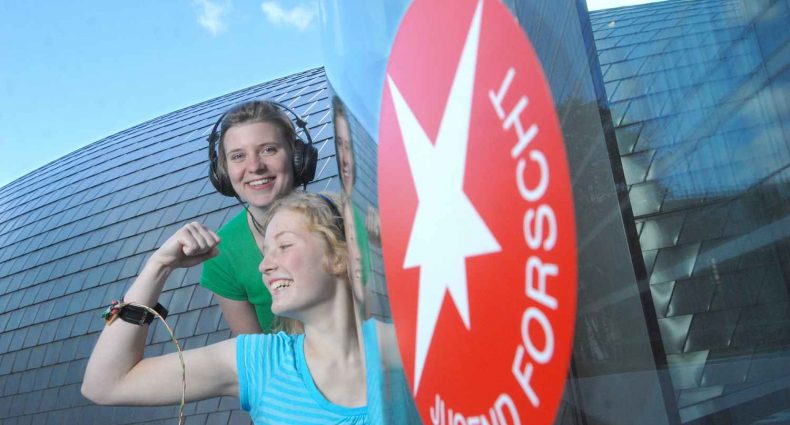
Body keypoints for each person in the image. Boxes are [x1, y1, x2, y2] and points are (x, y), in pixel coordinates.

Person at [82, 192, 369, 424]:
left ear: (340, 256)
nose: (264, 266)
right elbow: (105, 384)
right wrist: (158, 266)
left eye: (284, 246)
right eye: (265, 252)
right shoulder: (260, 361)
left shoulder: (394, 348)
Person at [200, 100, 310, 335]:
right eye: (238, 156)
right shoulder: (222, 253)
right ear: (222, 172)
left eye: (268, 150)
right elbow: (255, 351)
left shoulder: (344, 220)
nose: (255, 166)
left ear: (297, 155)